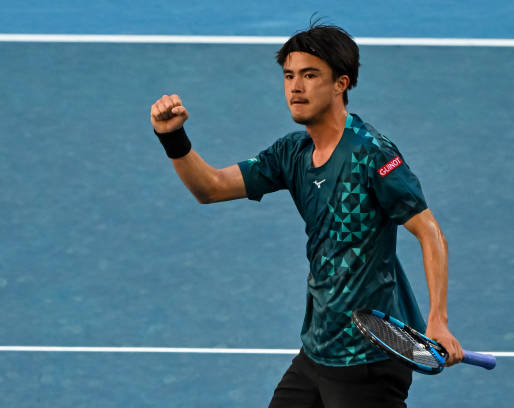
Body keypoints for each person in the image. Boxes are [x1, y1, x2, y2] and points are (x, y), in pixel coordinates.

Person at [151, 23, 463, 408]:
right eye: (289, 75)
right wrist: (172, 138)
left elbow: (429, 231)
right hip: (316, 351)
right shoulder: (292, 153)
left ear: (340, 83)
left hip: (367, 361)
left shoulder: (372, 154)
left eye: (310, 75)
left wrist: (438, 321)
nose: (295, 87)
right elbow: (210, 188)